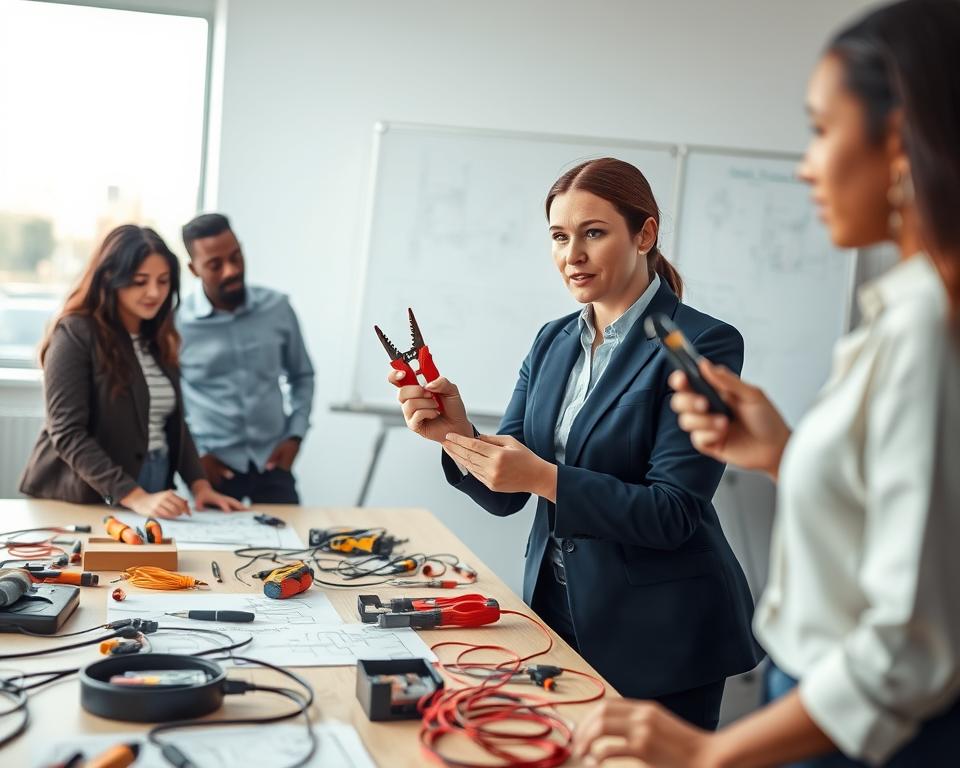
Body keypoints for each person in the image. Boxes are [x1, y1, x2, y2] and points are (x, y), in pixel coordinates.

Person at [573, 2, 960, 766]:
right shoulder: (904, 316)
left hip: (853, 728)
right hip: (823, 703)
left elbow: (906, 647)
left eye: (822, 130)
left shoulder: (929, 330)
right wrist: (785, 454)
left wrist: (711, 755)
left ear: (901, 139)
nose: (806, 164)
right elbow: (907, 528)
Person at [391, 157, 762, 729]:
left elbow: (673, 513)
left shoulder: (704, 342)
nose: (572, 255)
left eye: (594, 233)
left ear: (645, 234)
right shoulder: (553, 341)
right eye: (560, 237)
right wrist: (456, 436)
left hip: (663, 633)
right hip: (557, 611)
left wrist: (545, 478)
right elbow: (505, 494)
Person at [20, 225, 244, 518]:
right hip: (88, 495)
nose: (154, 292)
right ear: (111, 278)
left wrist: (200, 485)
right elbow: (66, 432)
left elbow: (174, 422)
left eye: (163, 281)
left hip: (153, 483)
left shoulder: (158, 336)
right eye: (140, 281)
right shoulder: (75, 332)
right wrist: (134, 496)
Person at [178, 213, 315, 504]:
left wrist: (295, 437)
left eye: (236, 257)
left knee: (294, 548)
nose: (230, 270)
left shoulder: (278, 308)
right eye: (215, 264)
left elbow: (302, 375)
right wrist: (195, 456)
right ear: (193, 269)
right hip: (212, 471)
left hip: (273, 463)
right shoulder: (176, 324)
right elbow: (168, 401)